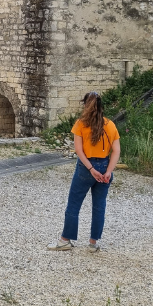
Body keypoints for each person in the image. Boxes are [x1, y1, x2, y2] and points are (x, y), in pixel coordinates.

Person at [48, 92, 121, 252]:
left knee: (74, 203)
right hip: (104, 165)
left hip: (86, 167)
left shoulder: (80, 124)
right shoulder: (110, 125)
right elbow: (116, 151)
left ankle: (65, 240)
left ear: (85, 105)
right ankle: (93, 243)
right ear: (102, 106)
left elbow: (79, 151)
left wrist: (90, 168)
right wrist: (108, 171)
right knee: (99, 206)